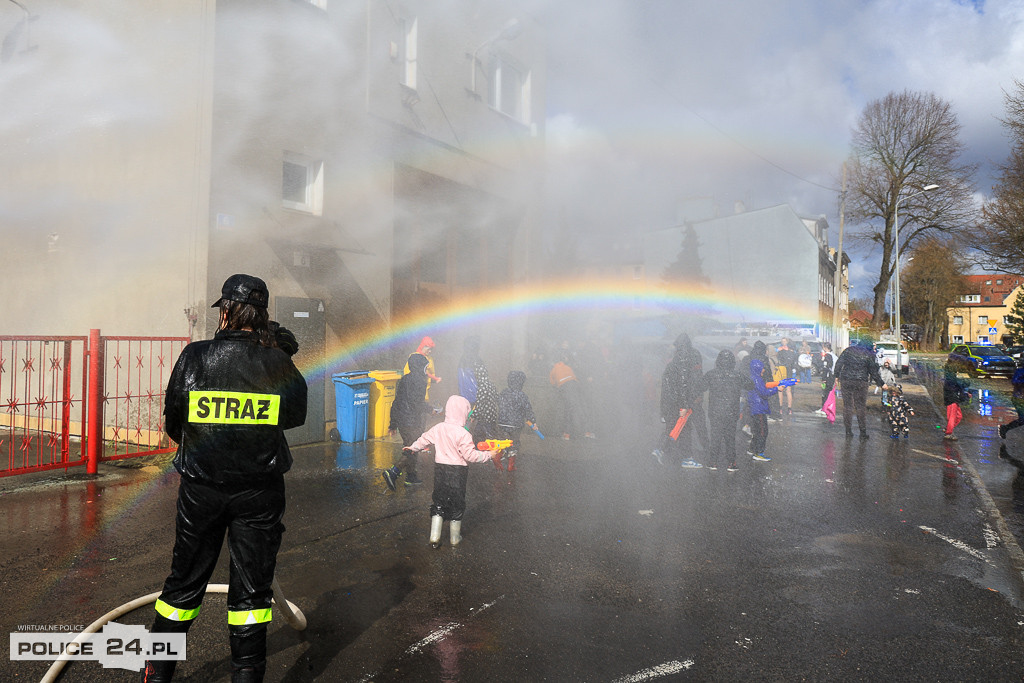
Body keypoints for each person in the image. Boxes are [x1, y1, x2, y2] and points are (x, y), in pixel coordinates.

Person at [142, 274, 307, 683]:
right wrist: (278, 356)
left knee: (182, 587)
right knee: (252, 595)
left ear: (227, 311)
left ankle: (156, 673)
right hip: (259, 491)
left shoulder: (194, 358)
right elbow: (294, 416)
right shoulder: (278, 363)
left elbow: (174, 425)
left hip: (201, 490)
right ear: (264, 317)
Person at [405, 395, 502, 548]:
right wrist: (489, 455)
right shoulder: (464, 434)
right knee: (457, 502)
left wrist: (413, 447)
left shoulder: (438, 428)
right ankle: (454, 538)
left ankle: (434, 537)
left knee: (439, 500)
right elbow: (470, 456)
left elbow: (424, 440)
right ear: (463, 413)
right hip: (458, 472)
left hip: (440, 470)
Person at [652, 334, 706, 469]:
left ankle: (659, 450)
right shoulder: (683, 361)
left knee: (673, 427)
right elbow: (683, 385)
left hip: (670, 402)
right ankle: (686, 457)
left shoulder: (673, 362)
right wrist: (684, 406)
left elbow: (668, 387)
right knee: (684, 428)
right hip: (680, 402)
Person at [696, 349, 754, 471]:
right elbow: (750, 385)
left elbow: (700, 387)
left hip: (715, 410)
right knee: (730, 437)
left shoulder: (711, 374)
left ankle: (713, 462)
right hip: (731, 411)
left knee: (715, 436)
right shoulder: (737, 375)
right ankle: (731, 462)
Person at [383, 353, 434, 489]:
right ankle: (393, 472)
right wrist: (431, 410)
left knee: (410, 446)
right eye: (425, 366)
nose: (426, 369)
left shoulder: (404, 379)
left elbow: (397, 402)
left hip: (402, 421)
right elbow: (416, 403)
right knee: (412, 449)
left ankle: (411, 477)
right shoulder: (420, 381)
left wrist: (393, 423)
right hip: (412, 421)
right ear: (419, 366)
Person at [833, 338, 886, 439]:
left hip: (846, 380)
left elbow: (839, 363)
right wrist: (881, 383)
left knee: (847, 406)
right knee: (860, 407)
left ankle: (848, 431)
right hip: (861, 382)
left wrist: (836, 376)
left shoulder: (848, 350)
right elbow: (873, 371)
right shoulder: (869, 355)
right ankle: (863, 432)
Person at [746, 341, 790, 462]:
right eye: (762, 368)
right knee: (762, 431)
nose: (764, 370)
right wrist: (777, 389)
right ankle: (759, 452)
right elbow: (764, 392)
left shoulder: (753, 378)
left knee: (757, 430)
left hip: (755, 407)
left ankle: (752, 449)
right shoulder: (757, 379)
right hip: (758, 408)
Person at [458, 336, 499, 442]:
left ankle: (464, 445)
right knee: (475, 425)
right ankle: (476, 448)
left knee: (466, 424)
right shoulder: (477, 361)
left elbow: (461, 380)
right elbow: (480, 380)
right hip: (477, 396)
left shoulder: (462, 360)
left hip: (464, 396)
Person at [496, 370, 537, 471]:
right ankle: (511, 465)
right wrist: (532, 421)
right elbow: (528, 409)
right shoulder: (522, 395)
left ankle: (498, 456)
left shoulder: (504, 392)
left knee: (503, 442)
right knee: (514, 443)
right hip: (516, 425)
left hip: (502, 423)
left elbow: (499, 403)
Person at [549, 353, 594, 440]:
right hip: (576, 386)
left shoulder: (553, 370)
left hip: (565, 389)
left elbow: (553, 383)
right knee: (580, 408)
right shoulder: (568, 367)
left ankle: (567, 434)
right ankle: (587, 432)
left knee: (568, 410)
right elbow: (574, 377)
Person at [403, 336, 441, 401]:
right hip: (413, 391)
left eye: (431, 349)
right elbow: (407, 373)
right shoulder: (414, 357)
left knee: (422, 407)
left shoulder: (430, 359)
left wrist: (433, 379)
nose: (430, 351)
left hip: (424, 392)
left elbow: (432, 373)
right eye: (428, 349)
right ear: (423, 346)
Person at [942, 361, 971, 441]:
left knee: (958, 416)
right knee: (952, 417)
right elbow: (957, 389)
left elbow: (958, 388)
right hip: (952, 400)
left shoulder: (950, 377)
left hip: (952, 399)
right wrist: (964, 394)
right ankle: (948, 433)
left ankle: (948, 429)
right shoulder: (951, 379)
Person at [999, 367, 1024, 440]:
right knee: (1022, 419)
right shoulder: (1020, 371)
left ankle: (1005, 428)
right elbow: (1014, 381)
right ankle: (1005, 428)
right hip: (1019, 399)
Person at [814, 342, 838, 417]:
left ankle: (825, 409)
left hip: (828, 377)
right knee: (826, 392)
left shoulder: (828, 356)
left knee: (825, 392)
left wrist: (824, 378)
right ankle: (824, 408)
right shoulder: (834, 356)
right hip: (832, 376)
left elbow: (826, 368)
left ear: (824, 347)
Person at [775, 338, 797, 414]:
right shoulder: (793, 353)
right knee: (788, 390)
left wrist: (778, 351)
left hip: (782, 371)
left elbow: (777, 360)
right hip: (789, 372)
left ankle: (780, 408)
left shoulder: (780, 352)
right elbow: (794, 363)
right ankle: (789, 408)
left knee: (780, 390)